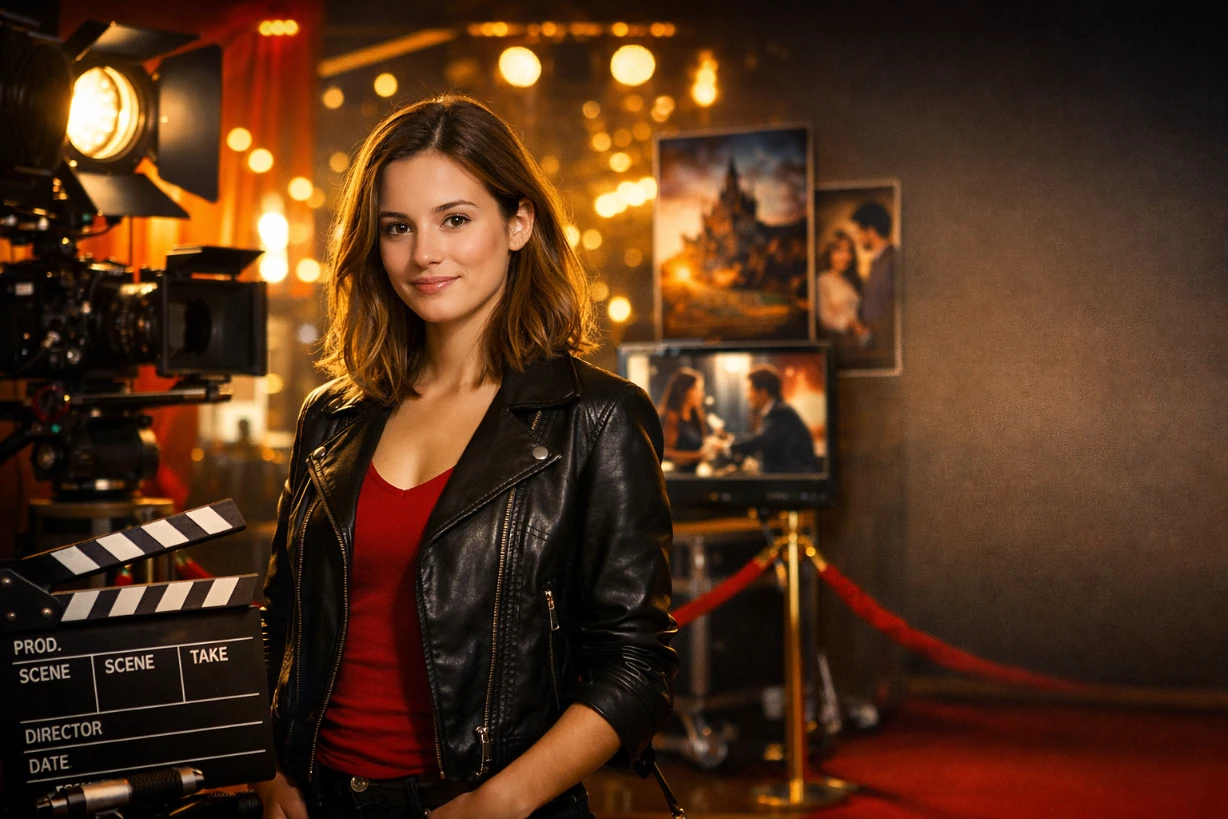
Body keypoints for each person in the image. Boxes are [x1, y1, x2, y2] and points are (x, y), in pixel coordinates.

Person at [257, 96, 677, 819]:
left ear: (518, 223)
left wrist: (499, 803)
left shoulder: (598, 418)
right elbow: (282, 619)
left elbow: (635, 666)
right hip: (313, 798)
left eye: (455, 219)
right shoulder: (330, 415)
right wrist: (271, 770)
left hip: (481, 805)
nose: (425, 253)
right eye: (398, 227)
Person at [724, 365, 820, 474]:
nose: (747, 396)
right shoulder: (777, 410)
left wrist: (727, 447)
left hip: (792, 485)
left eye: (750, 390)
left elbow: (763, 440)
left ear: (763, 392)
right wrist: (730, 438)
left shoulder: (780, 412)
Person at [849, 201, 896, 354]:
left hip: (883, 343)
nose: (857, 238)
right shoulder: (878, 260)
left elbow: (893, 308)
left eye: (859, 232)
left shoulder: (892, 260)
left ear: (870, 231)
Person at [815, 231, 869, 343]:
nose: (846, 256)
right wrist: (852, 325)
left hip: (858, 340)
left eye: (849, 251)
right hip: (838, 341)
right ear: (828, 253)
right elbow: (825, 319)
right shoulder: (822, 280)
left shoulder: (850, 281)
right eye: (839, 251)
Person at [657, 367, 710, 473]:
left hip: (694, 475)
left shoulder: (694, 416)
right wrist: (698, 456)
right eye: (698, 389)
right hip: (679, 477)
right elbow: (665, 452)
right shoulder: (671, 417)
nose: (702, 394)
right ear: (686, 390)